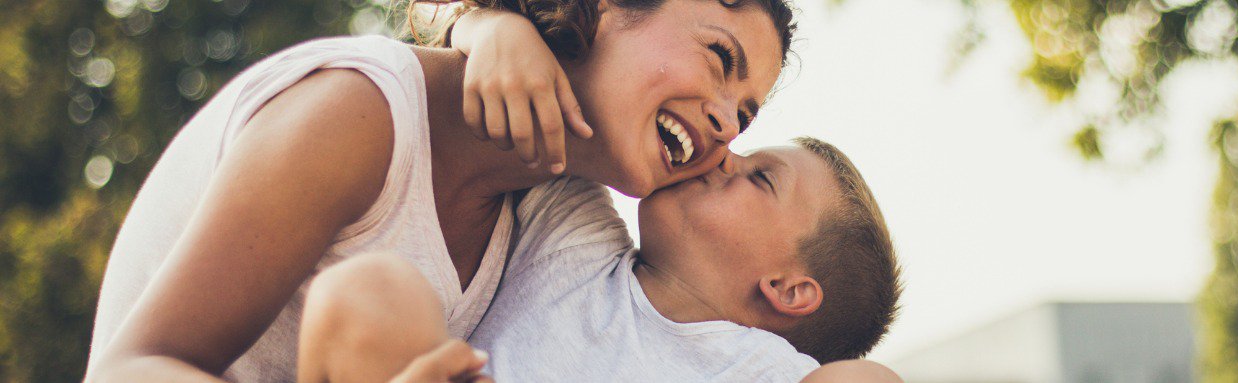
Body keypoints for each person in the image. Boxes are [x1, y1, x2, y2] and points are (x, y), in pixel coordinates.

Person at [84, 0, 793, 380]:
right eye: (719, 58)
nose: (729, 121)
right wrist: (485, 24)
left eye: (747, 113)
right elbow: (128, 370)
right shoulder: (360, 115)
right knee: (377, 305)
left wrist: (485, 23)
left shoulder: (554, 205)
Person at [297, 138, 903, 382]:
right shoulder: (579, 235)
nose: (725, 154)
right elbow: (534, 81)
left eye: (760, 178)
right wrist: (484, 33)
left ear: (787, 289)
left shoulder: (767, 371)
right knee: (366, 291)